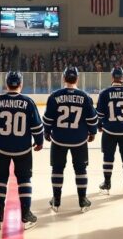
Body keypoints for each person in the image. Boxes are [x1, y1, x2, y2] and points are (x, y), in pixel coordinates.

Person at [0, 71, 44, 230]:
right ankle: (26, 214)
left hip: (0, 148)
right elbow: (37, 127)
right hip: (22, 149)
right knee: (24, 180)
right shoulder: (28, 102)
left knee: (0, 180)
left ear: (6, 84)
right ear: (21, 84)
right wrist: (39, 142)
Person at [42, 66, 98, 212]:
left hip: (59, 139)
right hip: (79, 139)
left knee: (57, 169)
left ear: (63, 78)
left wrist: (47, 132)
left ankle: (56, 200)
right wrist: (92, 133)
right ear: (77, 79)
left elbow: (48, 119)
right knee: (80, 169)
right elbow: (92, 119)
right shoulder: (85, 97)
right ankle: (82, 200)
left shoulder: (54, 96)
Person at [96, 67, 123, 195]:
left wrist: (100, 126)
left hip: (109, 131)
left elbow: (98, 114)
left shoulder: (104, 93)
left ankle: (107, 183)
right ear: (122, 78)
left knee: (108, 157)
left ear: (112, 77)